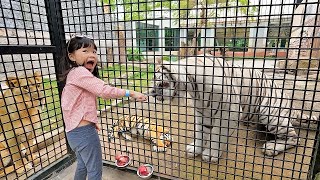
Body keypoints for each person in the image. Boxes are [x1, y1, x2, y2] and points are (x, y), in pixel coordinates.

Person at [60, 35, 147, 180]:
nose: (91, 55)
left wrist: (92, 121)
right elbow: (104, 91)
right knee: (95, 171)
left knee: (82, 165)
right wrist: (130, 93)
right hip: (83, 133)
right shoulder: (80, 72)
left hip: (73, 133)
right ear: (72, 56)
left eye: (94, 52)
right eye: (85, 51)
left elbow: (74, 105)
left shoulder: (73, 75)